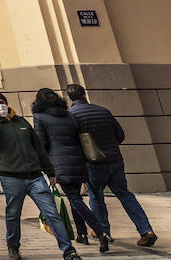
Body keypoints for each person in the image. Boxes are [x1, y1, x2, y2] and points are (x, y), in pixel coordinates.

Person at [0, 90, 79, 260]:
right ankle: (13, 246)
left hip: (35, 176)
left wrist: (50, 171)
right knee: (13, 214)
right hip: (11, 177)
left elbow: (38, 148)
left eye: (1, 102)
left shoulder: (21, 121)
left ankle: (69, 251)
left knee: (52, 213)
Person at [67, 83, 157, 248]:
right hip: (115, 160)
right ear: (84, 94)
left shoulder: (72, 115)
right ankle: (146, 230)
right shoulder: (103, 110)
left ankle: (104, 231)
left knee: (96, 196)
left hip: (93, 163)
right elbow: (120, 135)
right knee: (125, 195)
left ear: (70, 97)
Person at [32, 87, 108, 250]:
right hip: (78, 161)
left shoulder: (40, 117)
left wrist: (44, 167)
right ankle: (81, 234)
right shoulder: (70, 115)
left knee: (74, 198)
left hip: (59, 163)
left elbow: (41, 144)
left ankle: (100, 231)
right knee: (74, 196)